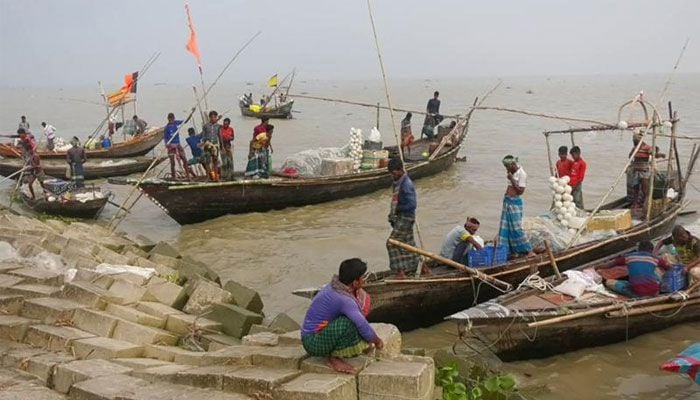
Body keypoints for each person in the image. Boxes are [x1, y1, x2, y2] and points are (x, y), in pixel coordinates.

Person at [301, 258, 384, 374]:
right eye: (362, 278)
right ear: (355, 282)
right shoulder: (343, 299)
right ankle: (334, 358)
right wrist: (377, 341)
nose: (363, 280)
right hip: (312, 342)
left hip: (318, 334)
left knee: (354, 318)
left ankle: (359, 347)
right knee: (349, 322)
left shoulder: (335, 286)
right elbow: (362, 324)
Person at [386, 158, 420, 278]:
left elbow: (412, 204)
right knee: (408, 243)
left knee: (391, 243)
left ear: (400, 170)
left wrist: (398, 210)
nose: (392, 176)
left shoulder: (406, 184)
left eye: (394, 173)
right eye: (391, 173)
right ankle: (417, 266)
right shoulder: (399, 182)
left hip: (406, 217)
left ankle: (400, 272)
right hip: (402, 217)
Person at [603, 241, 670, 297]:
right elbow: (668, 267)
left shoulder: (629, 257)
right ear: (651, 251)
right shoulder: (655, 259)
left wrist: (596, 267)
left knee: (609, 282)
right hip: (654, 292)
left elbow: (610, 264)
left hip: (637, 293)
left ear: (638, 249)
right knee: (656, 273)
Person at [499, 155, 535, 257]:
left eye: (507, 167)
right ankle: (511, 251)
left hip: (515, 203)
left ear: (513, 164)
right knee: (506, 228)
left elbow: (520, 191)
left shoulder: (522, 174)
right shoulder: (512, 172)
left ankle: (529, 250)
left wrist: (512, 179)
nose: (506, 169)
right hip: (507, 202)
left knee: (516, 228)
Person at [627, 130, 665, 209]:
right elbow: (630, 156)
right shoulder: (635, 148)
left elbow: (654, 154)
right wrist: (633, 153)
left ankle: (646, 203)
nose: (635, 142)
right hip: (635, 170)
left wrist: (659, 154)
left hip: (644, 171)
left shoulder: (647, 147)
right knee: (635, 188)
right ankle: (635, 204)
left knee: (645, 189)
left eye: (636, 141)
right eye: (634, 141)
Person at [164, 113, 195, 180]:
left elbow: (185, 121)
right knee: (172, 162)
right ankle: (173, 177)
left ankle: (188, 175)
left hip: (178, 144)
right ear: (168, 119)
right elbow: (165, 140)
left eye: (172, 119)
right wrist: (169, 145)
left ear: (174, 118)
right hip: (171, 146)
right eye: (170, 119)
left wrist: (191, 113)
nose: (171, 120)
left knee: (184, 159)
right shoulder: (166, 128)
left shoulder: (176, 123)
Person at [201, 110, 222, 181]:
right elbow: (203, 136)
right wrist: (203, 143)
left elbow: (220, 136)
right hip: (207, 145)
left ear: (216, 117)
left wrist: (222, 146)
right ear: (209, 118)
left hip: (215, 146)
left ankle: (216, 177)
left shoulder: (218, 126)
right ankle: (208, 177)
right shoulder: (205, 126)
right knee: (207, 161)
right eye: (212, 117)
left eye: (215, 117)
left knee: (215, 161)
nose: (213, 119)